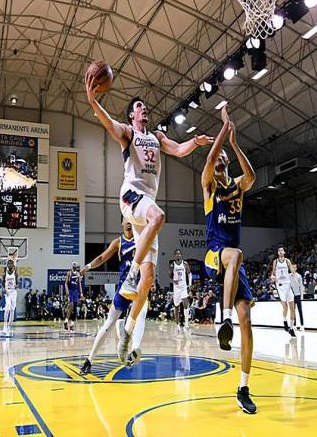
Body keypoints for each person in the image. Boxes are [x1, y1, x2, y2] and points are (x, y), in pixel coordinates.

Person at [85, 73, 213, 363]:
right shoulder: (128, 134)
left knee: (149, 280)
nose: (145, 109)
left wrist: (195, 142)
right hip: (131, 196)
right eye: (139, 106)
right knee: (159, 216)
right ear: (132, 115)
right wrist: (93, 102)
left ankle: (127, 334)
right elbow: (108, 123)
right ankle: (130, 275)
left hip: (147, 205)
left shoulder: (157, 137)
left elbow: (178, 150)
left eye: (145, 107)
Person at [201, 108, 257, 414]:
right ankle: (223, 319)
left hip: (234, 262)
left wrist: (234, 144)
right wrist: (224, 128)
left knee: (246, 320)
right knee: (235, 254)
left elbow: (252, 177)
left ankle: (243, 388)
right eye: (219, 153)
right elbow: (210, 158)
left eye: (224, 155)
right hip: (215, 253)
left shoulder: (237, 185)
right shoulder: (209, 186)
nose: (220, 156)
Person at [80, 217, 148, 374]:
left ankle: (135, 349)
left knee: (142, 312)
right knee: (108, 323)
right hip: (124, 287)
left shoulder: (142, 238)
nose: (129, 221)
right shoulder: (118, 242)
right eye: (126, 219)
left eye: (131, 218)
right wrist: (88, 266)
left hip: (139, 286)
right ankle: (89, 359)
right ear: (122, 223)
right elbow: (102, 258)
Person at [271, 246, 297, 337]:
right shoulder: (275, 261)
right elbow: (273, 272)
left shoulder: (287, 261)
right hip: (280, 286)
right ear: (278, 253)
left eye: (282, 250)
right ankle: (284, 320)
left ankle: (291, 327)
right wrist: (272, 277)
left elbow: (292, 270)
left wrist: (295, 277)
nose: (280, 251)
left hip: (288, 285)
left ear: (284, 252)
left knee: (292, 307)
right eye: (279, 250)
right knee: (285, 307)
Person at [170, 249, 192, 335]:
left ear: (181, 255)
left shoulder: (185, 263)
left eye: (179, 254)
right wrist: (173, 281)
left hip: (183, 287)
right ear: (175, 255)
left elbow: (189, 274)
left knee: (186, 304)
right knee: (176, 307)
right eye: (177, 254)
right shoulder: (172, 265)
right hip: (176, 288)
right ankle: (177, 325)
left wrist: (190, 284)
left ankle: (186, 324)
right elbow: (169, 276)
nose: (178, 255)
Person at [1, 256, 18, 336]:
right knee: (7, 309)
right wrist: (5, 290)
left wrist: (17, 285)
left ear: (13, 265)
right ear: (7, 265)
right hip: (8, 293)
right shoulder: (5, 272)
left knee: (12, 310)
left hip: (14, 292)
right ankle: (4, 326)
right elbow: (2, 283)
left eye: (11, 263)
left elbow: (17, 283)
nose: (10, 264)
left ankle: (9, 327)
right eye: (9, 263)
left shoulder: (15, 272)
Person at [64, 262, 82, 330]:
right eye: (73, 264)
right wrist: (67, 292)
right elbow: (66, 283)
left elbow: (79, 284)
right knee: (71, 306)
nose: (74, 265)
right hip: (70, 291)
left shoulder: (78, 274)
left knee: (75, 308)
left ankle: (72, 324)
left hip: (76, 292)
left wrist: (81, 293)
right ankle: (66, 320)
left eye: (75, 264)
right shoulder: (69, 273)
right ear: (72, 266)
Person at [290, 264, 305, 331]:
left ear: (296, 268)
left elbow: (301, 286)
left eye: (294, 267)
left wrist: (302, 296)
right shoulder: (289, 276)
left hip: (298, 295)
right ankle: (294, 325)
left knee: (300, 310)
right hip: (292, 296)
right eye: (291, 267)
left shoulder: (299, 276)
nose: (292, 268)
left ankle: (302, 325)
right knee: (293, 311)